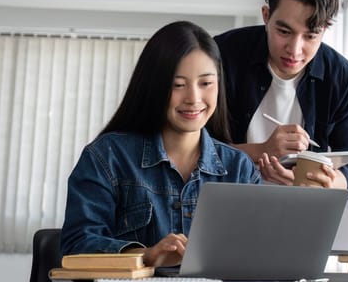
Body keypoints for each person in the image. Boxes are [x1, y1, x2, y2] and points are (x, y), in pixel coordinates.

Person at [60, 21, 261, 268]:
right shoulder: (107, 157)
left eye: (206, 83)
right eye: (178, 85)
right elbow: (77, 246)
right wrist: (145, 256)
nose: (193, 98)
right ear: (154, 86)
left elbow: (259, 255)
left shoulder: (240, 169)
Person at [214, 0, 348, 198]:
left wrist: (324, 183)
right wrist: (260, 151)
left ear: (324, 29)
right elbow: (185, 149)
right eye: (284, 32)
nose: (294, 50)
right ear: (266, 16)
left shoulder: (343, 78)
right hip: (220, 201)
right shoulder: (222, 56)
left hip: (301, 210)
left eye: (310, 36)